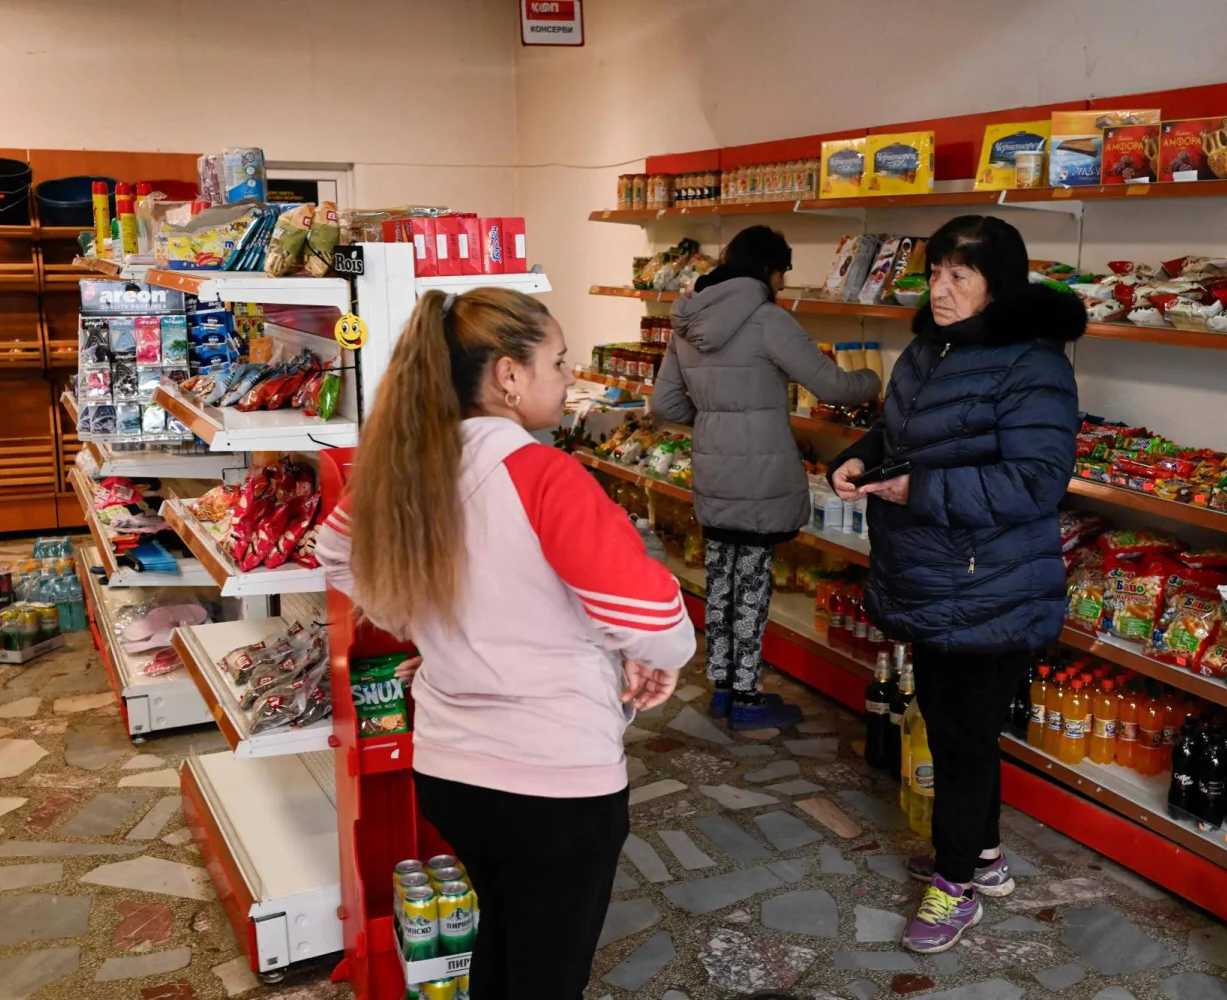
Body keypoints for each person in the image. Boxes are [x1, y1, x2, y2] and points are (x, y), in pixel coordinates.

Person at [316, 288, 695, 999]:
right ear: (509, 376)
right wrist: (657, 655)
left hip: (451, 771)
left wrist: (437, 628)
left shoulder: (403, 471)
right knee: (549, 973)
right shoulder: (545, 475)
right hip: (554, 781)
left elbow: (336, 556)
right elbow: (651, 618)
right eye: (557, 361)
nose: (567, 376)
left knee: (503, 939)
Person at [828, 215, 1084, 954]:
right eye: (934, 272)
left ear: (996, 286)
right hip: (932, 573)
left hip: (990, 582)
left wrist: (919, 490)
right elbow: (902, 436)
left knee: (964, 737)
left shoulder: (1032, 365)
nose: (938, 290)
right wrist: (861, 456)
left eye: (958, 277)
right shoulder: (929, 348)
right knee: (947, 723)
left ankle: (955, 886)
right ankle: (984, 856)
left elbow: (1037, 481)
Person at [653, 225, 879, 729]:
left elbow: (664, 403)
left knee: (720, 578)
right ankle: (749, 697)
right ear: (768, 271)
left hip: (713, 471)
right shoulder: (767, 320)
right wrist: (876, 378)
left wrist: (716, 421)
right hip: (760, 478)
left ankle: (721, 689)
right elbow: (835, 386)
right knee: (752, 582)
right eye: (782, 272)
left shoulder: (685, 322)